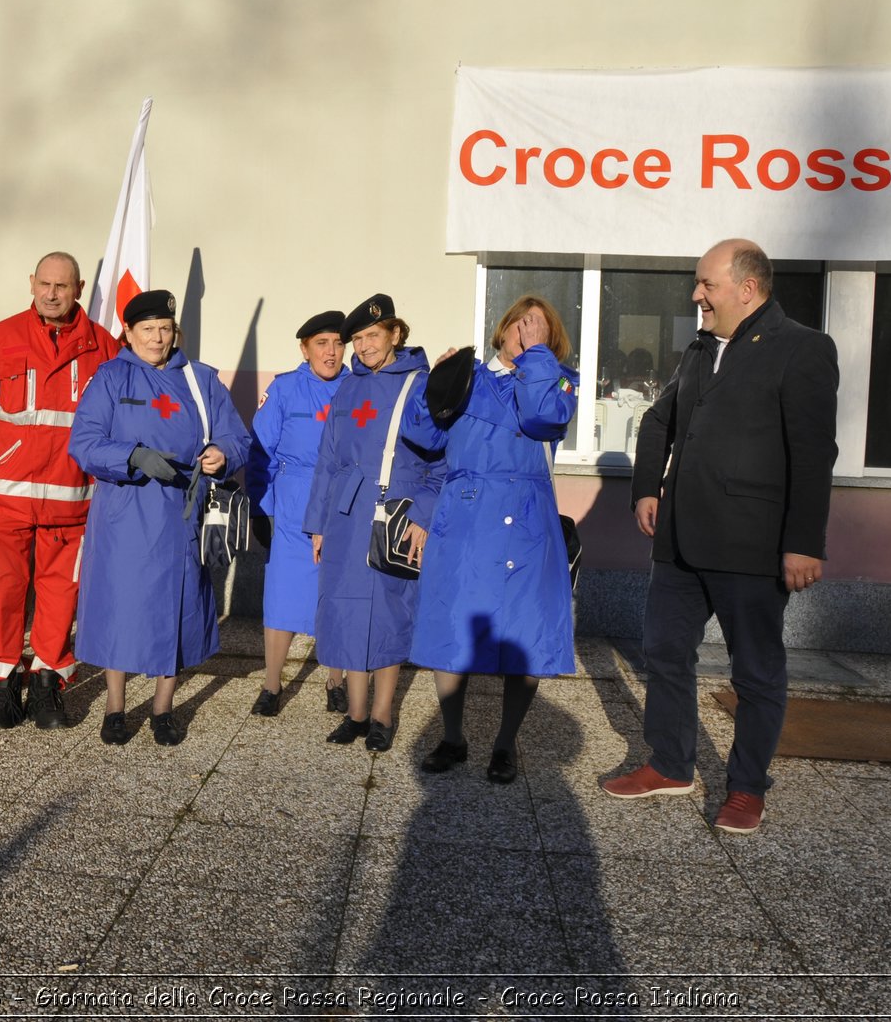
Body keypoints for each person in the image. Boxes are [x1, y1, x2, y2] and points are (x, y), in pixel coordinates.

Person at [602, 239, 838, 834]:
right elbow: (659, 420)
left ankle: (747, 788)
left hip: (753, 547)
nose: (696, 294)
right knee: (665, 654)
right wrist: (646, 489)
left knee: (755, 672)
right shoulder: (700, 349)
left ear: (747, 288)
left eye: (706, 284)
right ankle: (671, 764)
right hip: (680, 540)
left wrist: (805, 541)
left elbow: (813, 454)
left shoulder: (803, 349)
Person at [401, 296, 580, 785]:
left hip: (526, 524)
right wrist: (432, 384)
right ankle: (452, 736)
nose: (525, 330)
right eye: (520, 322)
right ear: (501, 328)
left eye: (538, 326)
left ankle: (505, 744)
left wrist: (538, 357)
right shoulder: (471, 376)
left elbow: (545, 417)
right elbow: (423, 436)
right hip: (464, 520)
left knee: (524, 636)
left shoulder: (559, 380)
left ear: (552, 340)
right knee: (450, 629)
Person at [68, 289, 252, 746]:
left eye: (165, 329)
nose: (157, 338)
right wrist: (131, 455)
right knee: (120, 609)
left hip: (180, 516)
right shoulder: (110, 378)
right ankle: (114, 707)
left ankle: (162, 708)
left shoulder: (201, 379)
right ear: (128, 333)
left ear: (175, 332)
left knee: (177, 607)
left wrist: (220, 454)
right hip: (124, 516)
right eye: (147, 329)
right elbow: (84, 442)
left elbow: (237, 438)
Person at [0, 252, 119, 730]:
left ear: (79, 288)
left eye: (63, 286)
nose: (52, 294)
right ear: (31, 283)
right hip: (7, 498)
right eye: (44, 284)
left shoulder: (102, 345)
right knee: (3, 592)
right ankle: (1, 684)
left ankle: (47, 683)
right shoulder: (1, 336)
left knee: (61, 595)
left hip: (70, 496)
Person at [305, 294, 443, 753]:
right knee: (345, 613)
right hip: (345, 516)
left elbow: (441, 462)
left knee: (387, 613)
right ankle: (355, 713)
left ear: (396, 334)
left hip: (396, 513)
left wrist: (422, 516)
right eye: (357, 339)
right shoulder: (346, 387)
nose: (362, 346)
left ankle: (382, 715)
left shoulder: (422, 386)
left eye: (372, 336)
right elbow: (327, 459)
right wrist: (318, 525)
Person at [246, 310, 350, 716]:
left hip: (343, 505)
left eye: (339, 343)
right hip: (292, 506)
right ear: (304, 349)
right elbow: (260, 452)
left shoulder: (356, 389)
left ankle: (336, 682)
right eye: (322, 343)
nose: (331, 352)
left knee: (338, 597)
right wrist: (260, 506)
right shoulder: (286, 389)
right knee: (282, 597)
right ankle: (272, 685)